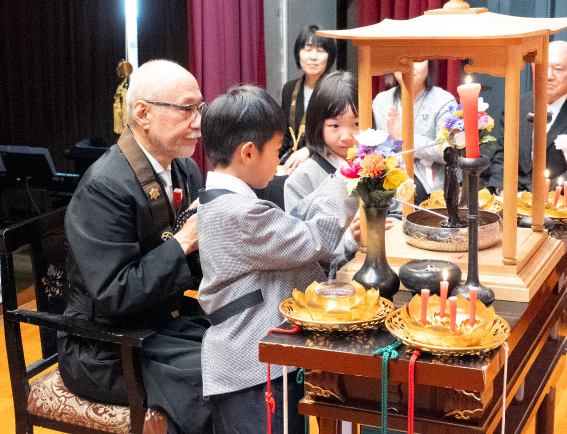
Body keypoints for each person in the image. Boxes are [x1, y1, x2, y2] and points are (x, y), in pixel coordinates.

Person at [57, 60, 211, 434]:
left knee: (252, 350)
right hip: (105, 344)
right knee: (220, 380)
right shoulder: (104, 187)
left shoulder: (184, 169)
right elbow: (115, 293)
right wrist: (185, 241)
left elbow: (194, 264)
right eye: (186, 109)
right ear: (143, 113)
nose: (199, 122)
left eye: (200, 108)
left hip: (164, 320)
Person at [196, 84, 358, 434]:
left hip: (256, 362)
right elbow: (312, 238)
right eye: (275, 150)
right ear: (249, 152)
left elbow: (292, 224)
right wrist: (351, 176)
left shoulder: (229, 201)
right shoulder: (238, 212)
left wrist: (342, 175)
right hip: (251, 368)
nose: (279, 159)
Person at [487, 41, 567, 204]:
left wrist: (533, 194)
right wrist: (504, 189)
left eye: (558, 69)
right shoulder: (518, 104)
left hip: (560, 204)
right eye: (543, 67)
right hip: (510, 200)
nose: (548, 76)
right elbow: (502, 155)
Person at [284, 71, 361, 266]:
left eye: (356, 124)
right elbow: (300, 245)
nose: (346, 136)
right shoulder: (301, 178)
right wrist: (350, 240)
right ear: (318, 125)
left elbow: (396, 212)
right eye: (335, 125)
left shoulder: (376, 163)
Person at [372, 60, 456, 204]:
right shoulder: (381, 101)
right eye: (403, 60)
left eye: (417, 59)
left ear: (429, 64)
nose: (410, 66)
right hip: (386, 187)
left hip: (428, 192)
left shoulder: (443, 100)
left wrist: (406, 138)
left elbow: (448, 152)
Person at [280, 24, 337, 173]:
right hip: (292, 163)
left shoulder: (337, 90)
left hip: (325, 163)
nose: (313, 57)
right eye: (307, 49)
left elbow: (338, 135)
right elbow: (285, 135)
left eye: (320, 50)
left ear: (330, 55)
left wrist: (309, 150)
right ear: (298, 53)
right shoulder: (289, 89)